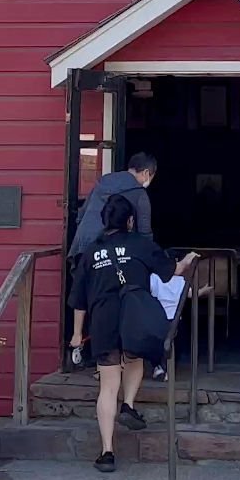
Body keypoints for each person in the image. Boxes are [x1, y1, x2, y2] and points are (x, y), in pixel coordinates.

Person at [83, 195, 195, 473]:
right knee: (135, 358)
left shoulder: (91, 251)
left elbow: (78, 299)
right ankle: (129, 405)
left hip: (102, 319)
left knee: (108, 385)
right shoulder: (141, 245)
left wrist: (75, 334)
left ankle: (107, 451)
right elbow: (171, 273)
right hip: (133, 317)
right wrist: (189, 259)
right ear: (130, 221)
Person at [68, 152, 157, 368]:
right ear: (146, 173)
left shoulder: (103, 182)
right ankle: (118, 354)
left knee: (87, 296)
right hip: (116, 252)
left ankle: (87, 349)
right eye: (152, 176)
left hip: (84, 248)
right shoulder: (139, 194)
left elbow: (81, 214)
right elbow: (145, 235)